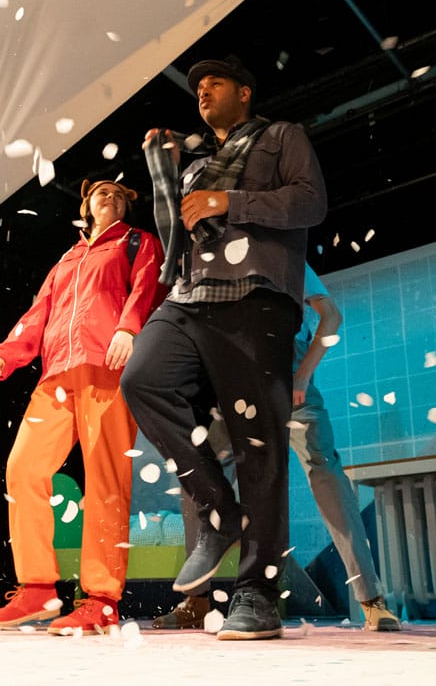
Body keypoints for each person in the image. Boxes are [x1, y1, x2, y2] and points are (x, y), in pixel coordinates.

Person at [120, 55, 327, 641]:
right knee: (143, 379)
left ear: (245, 90)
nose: (203, 92)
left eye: (214, 83)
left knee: (257, 440)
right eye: (197, 88)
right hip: (189, 295)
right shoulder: (197, 163)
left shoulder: (281, 136)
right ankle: (220, 510)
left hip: (256, 292)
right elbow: (171, 235)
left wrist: (228, 203)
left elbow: (310, 202)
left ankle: (257, 592)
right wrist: (163, 172)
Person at [153, 264, 401, 632]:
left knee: (325, 472)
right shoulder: (217, 258)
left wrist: (302, 375)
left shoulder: (284, 255)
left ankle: (371, 599)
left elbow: (331, 316)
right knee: (198, 474)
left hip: (288, 370)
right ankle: (196, 601)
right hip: (233, 381)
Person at [0, 179, 166, 635]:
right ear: (85, 204)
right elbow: (38, 313)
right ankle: (38, 590)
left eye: (120, 194)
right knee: (22, 469)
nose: (111, 197)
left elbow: (147, 286)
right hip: (56, 376)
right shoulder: (67, 258)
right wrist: (5, 355)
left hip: (108, 367)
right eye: (102, 192)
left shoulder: (137, 242)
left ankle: (101, 600)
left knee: (105, 480)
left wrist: (129, 329)